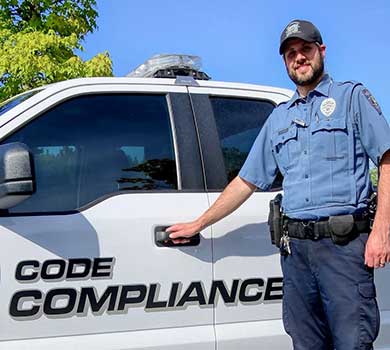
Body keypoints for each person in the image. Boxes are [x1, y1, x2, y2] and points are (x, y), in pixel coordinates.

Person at [167, 19, 390, 350]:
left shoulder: (350, 98)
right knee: (305, 343)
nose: (299, 58)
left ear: (321, 51)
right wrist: (199, 222)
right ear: (285, 62)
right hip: (297, 253)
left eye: (305, 49)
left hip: (343, 250)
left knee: (353, 343)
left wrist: (382, 230)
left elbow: (387, 159)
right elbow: (245, 181)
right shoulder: (279, 119)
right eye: (290, 54)